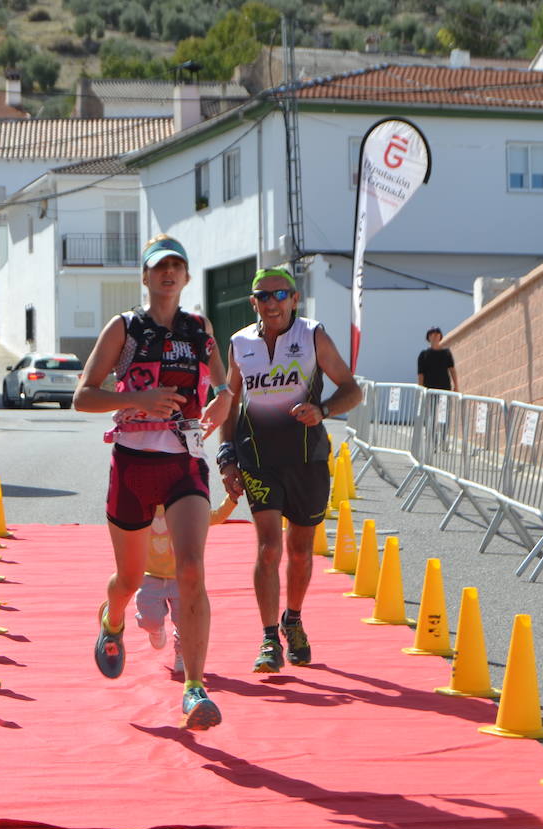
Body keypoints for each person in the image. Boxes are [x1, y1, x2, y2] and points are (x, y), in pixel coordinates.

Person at [73, 235, 233, 730]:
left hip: (184, 463)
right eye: (159, 266)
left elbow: (224, 387)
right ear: (144, 276)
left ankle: (194, 687)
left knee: (191, 569)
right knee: (129, 579)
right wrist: (137, 402)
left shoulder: (200, 328)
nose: (168, 273)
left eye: (177, 266)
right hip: (133, 466)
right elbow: (83, 396)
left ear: (186, 277)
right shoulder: (124, 328)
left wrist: (221, 405)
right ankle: (113, 620)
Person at [217, 267, 363, 672]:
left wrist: (324, 410)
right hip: (259, 460)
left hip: (307, 460)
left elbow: (352, 389)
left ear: (295, 299)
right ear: (253, 303)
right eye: (263, 296)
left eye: (280, 295)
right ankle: (268, 640)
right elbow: (230, 403)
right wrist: (227, 456)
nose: (272, 303)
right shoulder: (239, 343)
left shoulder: (313, 334)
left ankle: (292, 620)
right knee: (268, 548)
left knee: (299, 553)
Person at [136, 495, 238, 673]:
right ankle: (156, 629)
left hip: (180, 577)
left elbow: (218, 516)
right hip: (150, 576)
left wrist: (232, 497)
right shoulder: (143, 507)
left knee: (185, 622)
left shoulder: (185, 510)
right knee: (149, 619)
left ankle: (182, 653)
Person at [417, 327, 457, 391]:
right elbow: (421, 375)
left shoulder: (446, 353)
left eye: (437, 333)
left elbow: (452, 370)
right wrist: (420, 390)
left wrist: (456, 386)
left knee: (444, 401)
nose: (435, 335)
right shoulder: (423, 355)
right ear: (428, 337)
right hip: (429, 391)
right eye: (432, 334)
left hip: (444, 389)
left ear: (440, 336)